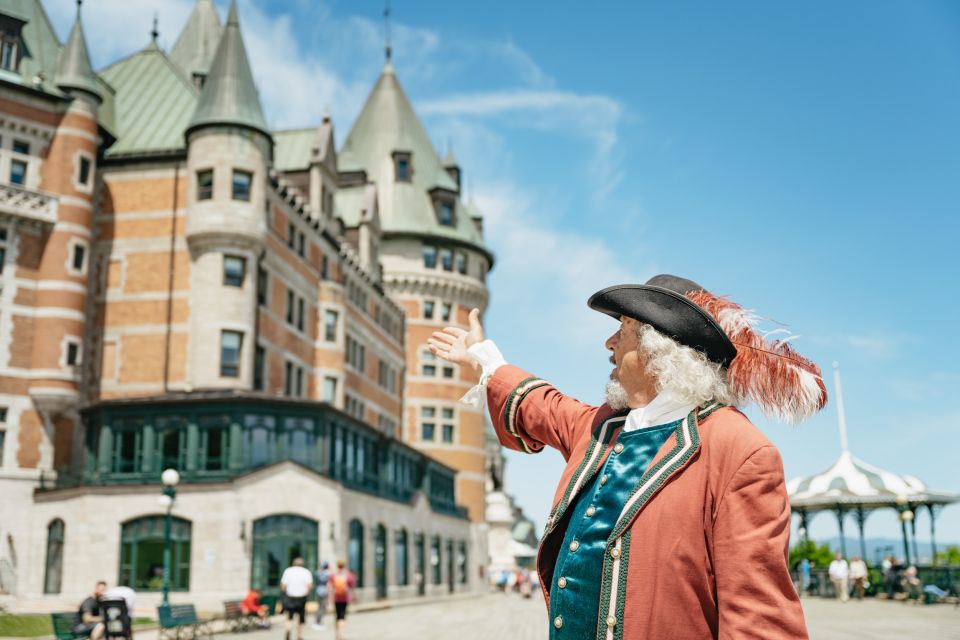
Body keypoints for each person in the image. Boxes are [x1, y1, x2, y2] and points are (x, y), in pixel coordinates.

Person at [429, 274, 824, 639]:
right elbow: (543, 405)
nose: (610, 344)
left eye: (623, 331)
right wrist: (483, 358)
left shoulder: (738, 451)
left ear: (658, 350)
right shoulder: (602, 427)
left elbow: (759, 620)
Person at [279, 557, 312, 640]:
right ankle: (299, 636)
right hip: (301, 597)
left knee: (289, 616)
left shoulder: (288, 571)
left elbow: (283, 586)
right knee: (301, 618)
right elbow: (309, 586)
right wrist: (307, 593)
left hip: (290, 596)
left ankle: (288, 629)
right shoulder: (306, 572)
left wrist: (284, 594)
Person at [327, 560, 356, 640]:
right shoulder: (348, 575)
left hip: (336, 598)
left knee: (337, 616)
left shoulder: (333, 575)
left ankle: (337, 635)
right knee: (342, 616)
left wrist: (329, 600)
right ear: (344, 565)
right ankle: (342, 634)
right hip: (345, 598)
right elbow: (352, 587)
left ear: (337, 565)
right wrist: (354, 597)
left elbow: (329, 587)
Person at [312, 561, 331, 630]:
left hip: (318, 590)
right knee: (322, 607)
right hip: (324, 591)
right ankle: (318, 622)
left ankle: (317, 621)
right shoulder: (327, 574)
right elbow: (328, 583)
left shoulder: (318, 572)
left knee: (320, 606)